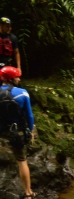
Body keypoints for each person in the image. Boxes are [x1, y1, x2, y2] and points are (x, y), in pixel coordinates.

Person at [0, 66, 36, 198]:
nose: (19, 78)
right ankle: (28, 193)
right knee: (21, 160)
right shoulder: (22, 93)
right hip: (16, 131)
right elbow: (29, 115)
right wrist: (31, 130)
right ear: (11, 79)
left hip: (1, 129)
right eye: (17, 77)